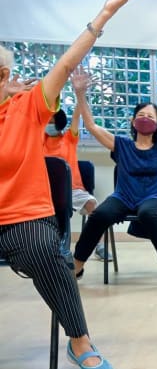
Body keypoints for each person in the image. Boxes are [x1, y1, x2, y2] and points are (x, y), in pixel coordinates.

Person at [0, 0, 148, 369]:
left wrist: (105, 14)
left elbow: (66, 65)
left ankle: (80, 341)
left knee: (45, 250)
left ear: (3, 75)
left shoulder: (27, 107)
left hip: (23, 217)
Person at [71, 65, 157, 289]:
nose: (145, 118)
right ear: (132, 121)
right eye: (140, 115)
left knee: (147, 213)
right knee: (99, 214)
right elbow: (91, 126)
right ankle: (76, 267)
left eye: (150, 116)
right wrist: (80, 94)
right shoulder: (121, 145)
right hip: (123, 197)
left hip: (156, 199)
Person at [43, 107, 111, 261]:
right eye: (46, 121)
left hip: (72, 190)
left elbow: (75, 117)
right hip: (46, 191)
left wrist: (80, 97)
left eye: (51, 122)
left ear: (59, 123)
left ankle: (99, 246)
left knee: (92, 204)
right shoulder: (40, 139)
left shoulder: (69, 138)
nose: (48, 124)